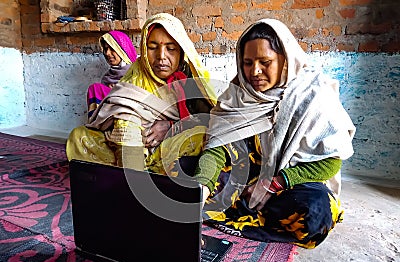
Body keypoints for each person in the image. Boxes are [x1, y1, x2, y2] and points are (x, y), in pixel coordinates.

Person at [194, 18, 356, 249]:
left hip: (287, 185)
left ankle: (249, 210)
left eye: (265, 62)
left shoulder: (313, 97)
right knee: (186, 175)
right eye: (247, 63)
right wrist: (202, 187)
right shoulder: (237, 94)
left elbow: (331, 162)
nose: (254, 72)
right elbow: (217, 148)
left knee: (315, 212)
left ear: (286, 61)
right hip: (244, 181)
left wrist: (276, 183)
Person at [66, 13, 216, 172]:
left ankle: (135, 172)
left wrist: (171, 126)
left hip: (167, 146)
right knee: (79, 137)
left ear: (181, 51)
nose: (161, 56)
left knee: (206, 136)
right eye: (152, 48)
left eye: (171, 48)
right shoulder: (136, 78)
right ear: (144, 49)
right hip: (130, 146)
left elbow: (210, 119)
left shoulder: (190, 78)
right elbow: (124, 124)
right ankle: (141, 174)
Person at [87, 30, 137, 119]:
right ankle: (97, 124)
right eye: (105, 49)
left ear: (122, 50)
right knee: (95, 89)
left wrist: (118, 89)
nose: (107, 53)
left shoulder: (136, 72)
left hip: (130, 117)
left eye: (112, 49)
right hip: (109, 119)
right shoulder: (107, 77)